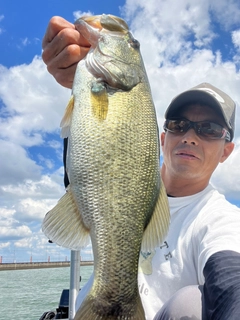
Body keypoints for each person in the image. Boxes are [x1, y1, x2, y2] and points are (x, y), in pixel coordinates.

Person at [42, 16, 240, 320]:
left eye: (209, 129)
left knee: (190, 304)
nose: (190, 136)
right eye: (179, 125)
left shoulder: (224, 221)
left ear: (227, 150)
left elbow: (231, 282)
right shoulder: (133, 178)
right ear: (162, 139)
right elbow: (90, 166)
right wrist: (78, 86)